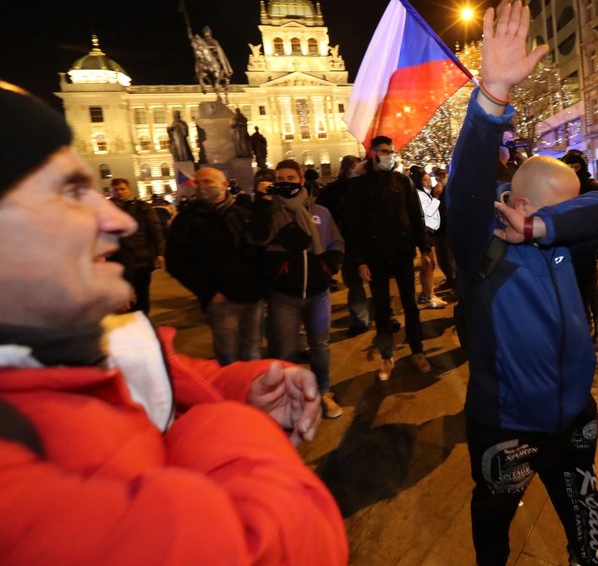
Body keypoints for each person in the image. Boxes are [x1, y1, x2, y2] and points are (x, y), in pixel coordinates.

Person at [0, 83, 347, 565]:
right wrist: (224, 420)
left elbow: (168, 372)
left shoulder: (91, 341)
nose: (116, 219)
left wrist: (243, 384)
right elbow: (288, 541)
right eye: (70, 192)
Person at [449, 3, 598, 566]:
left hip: (574, 420)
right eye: (555, 209)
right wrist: (493, 94)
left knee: (587, 542)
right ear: (519, 202)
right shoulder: (483, 242)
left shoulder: (559, 234)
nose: (568, 220)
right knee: (494, 528)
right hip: (506, 425)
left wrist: (549, 225)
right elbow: (465, 185)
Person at [250, 160, 345, 419]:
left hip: (318, 294)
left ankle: (323, 391)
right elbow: (257, 238)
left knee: (320, 346)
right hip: (284, 296)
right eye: (280, 177)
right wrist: (260, 201)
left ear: (301, 180)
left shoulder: (321, 212)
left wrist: (329, 266)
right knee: (284, 350)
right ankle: (290, 399)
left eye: (291, 177)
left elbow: (337, 241)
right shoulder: (270, 212)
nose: (286, 182)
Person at [346, 136, 432, 381]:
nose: (389, 155)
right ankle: (387, 355)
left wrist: (424, 247)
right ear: (372, 154)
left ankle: (418, 351)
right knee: (382, 307)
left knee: (410, 304)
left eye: (392, 151)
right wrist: (360, 261)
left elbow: (416, 216)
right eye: (384, 151)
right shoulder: (358, 187)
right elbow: (354, 228)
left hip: (403, 253)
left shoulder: (402, 181)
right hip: (375, 256)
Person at [166, 167, 265, 365]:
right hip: (221, 301)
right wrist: (208, 292)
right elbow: (176, 262)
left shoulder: (243, 213)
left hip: (253, 297)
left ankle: (250, 391)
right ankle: (231, 391)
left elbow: (259, 249)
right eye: (199, 183)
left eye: (208, 182)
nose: (202, 187)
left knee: (252, 351)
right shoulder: (187, 220)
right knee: (227, 356)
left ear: (224, 185)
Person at [561, 149, 598, 350]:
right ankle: (584, 329)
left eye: (577, 167)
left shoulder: (591, 188)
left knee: (591, 291)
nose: (573, 170)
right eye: (570, 167)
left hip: (588, 248)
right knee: (577, 293)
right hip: (568, 248)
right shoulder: (562, 188)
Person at [317, 155, 370, 336]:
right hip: (348, 241)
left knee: (378, 280)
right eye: (355, 167)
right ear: (347, 169)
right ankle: (360, 319)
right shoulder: (334, 191)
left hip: (370, 240)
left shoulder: (367, 187)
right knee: (354, 282)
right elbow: (324, 214)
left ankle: (386, 314)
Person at [108, 178, 166, 314]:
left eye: (122, 189)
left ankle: (143, 319)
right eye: (116, 190)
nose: (119, 192)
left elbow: (155, 230)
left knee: (142, 293)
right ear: (111, 192)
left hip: (141, 258)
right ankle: (130, 322)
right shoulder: (104, 210)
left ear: (129, 190)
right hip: (117, 259)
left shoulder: (143, 207)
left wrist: (160, 253)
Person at [411, 169, 447, 309]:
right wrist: (437, 196)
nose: (429, 183)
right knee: (428, 263)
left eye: (429, 180)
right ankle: (429, 295)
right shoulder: (418, 195)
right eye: (425, 180)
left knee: (430, 263)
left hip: (429, 231)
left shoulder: (425, 194)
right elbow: (428, 212)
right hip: (424, 231)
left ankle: (426, 294)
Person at [430, 166, 457, 291]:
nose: (441, 177)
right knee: (442, 259)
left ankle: (456, 284)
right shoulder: (434, 191)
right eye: (439, 175)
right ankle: (450, 280)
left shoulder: (451, 188)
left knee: (450, 258)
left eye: (443, 174)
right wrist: (436, 195)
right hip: (438, 228)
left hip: (448, 228)